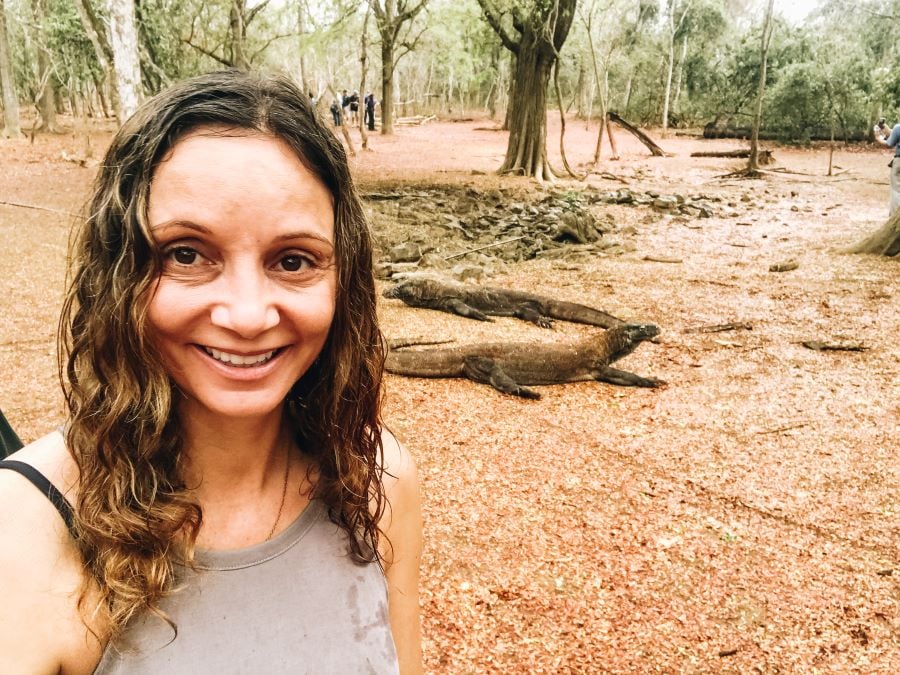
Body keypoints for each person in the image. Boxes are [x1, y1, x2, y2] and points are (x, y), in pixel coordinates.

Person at [0, 71, 423, 673]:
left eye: (293, 260)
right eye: (187, 254)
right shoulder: (22, 531)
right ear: (120, 271)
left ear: (342, 280)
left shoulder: (378, 483)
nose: (248, 315)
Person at [876, 120, 900, 216]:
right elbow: (894, 134)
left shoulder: (898, 128)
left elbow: (888, 144)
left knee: (896, 190)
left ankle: (895, 216)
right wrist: (885, 128)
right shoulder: (897, 129)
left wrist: (878, 138)